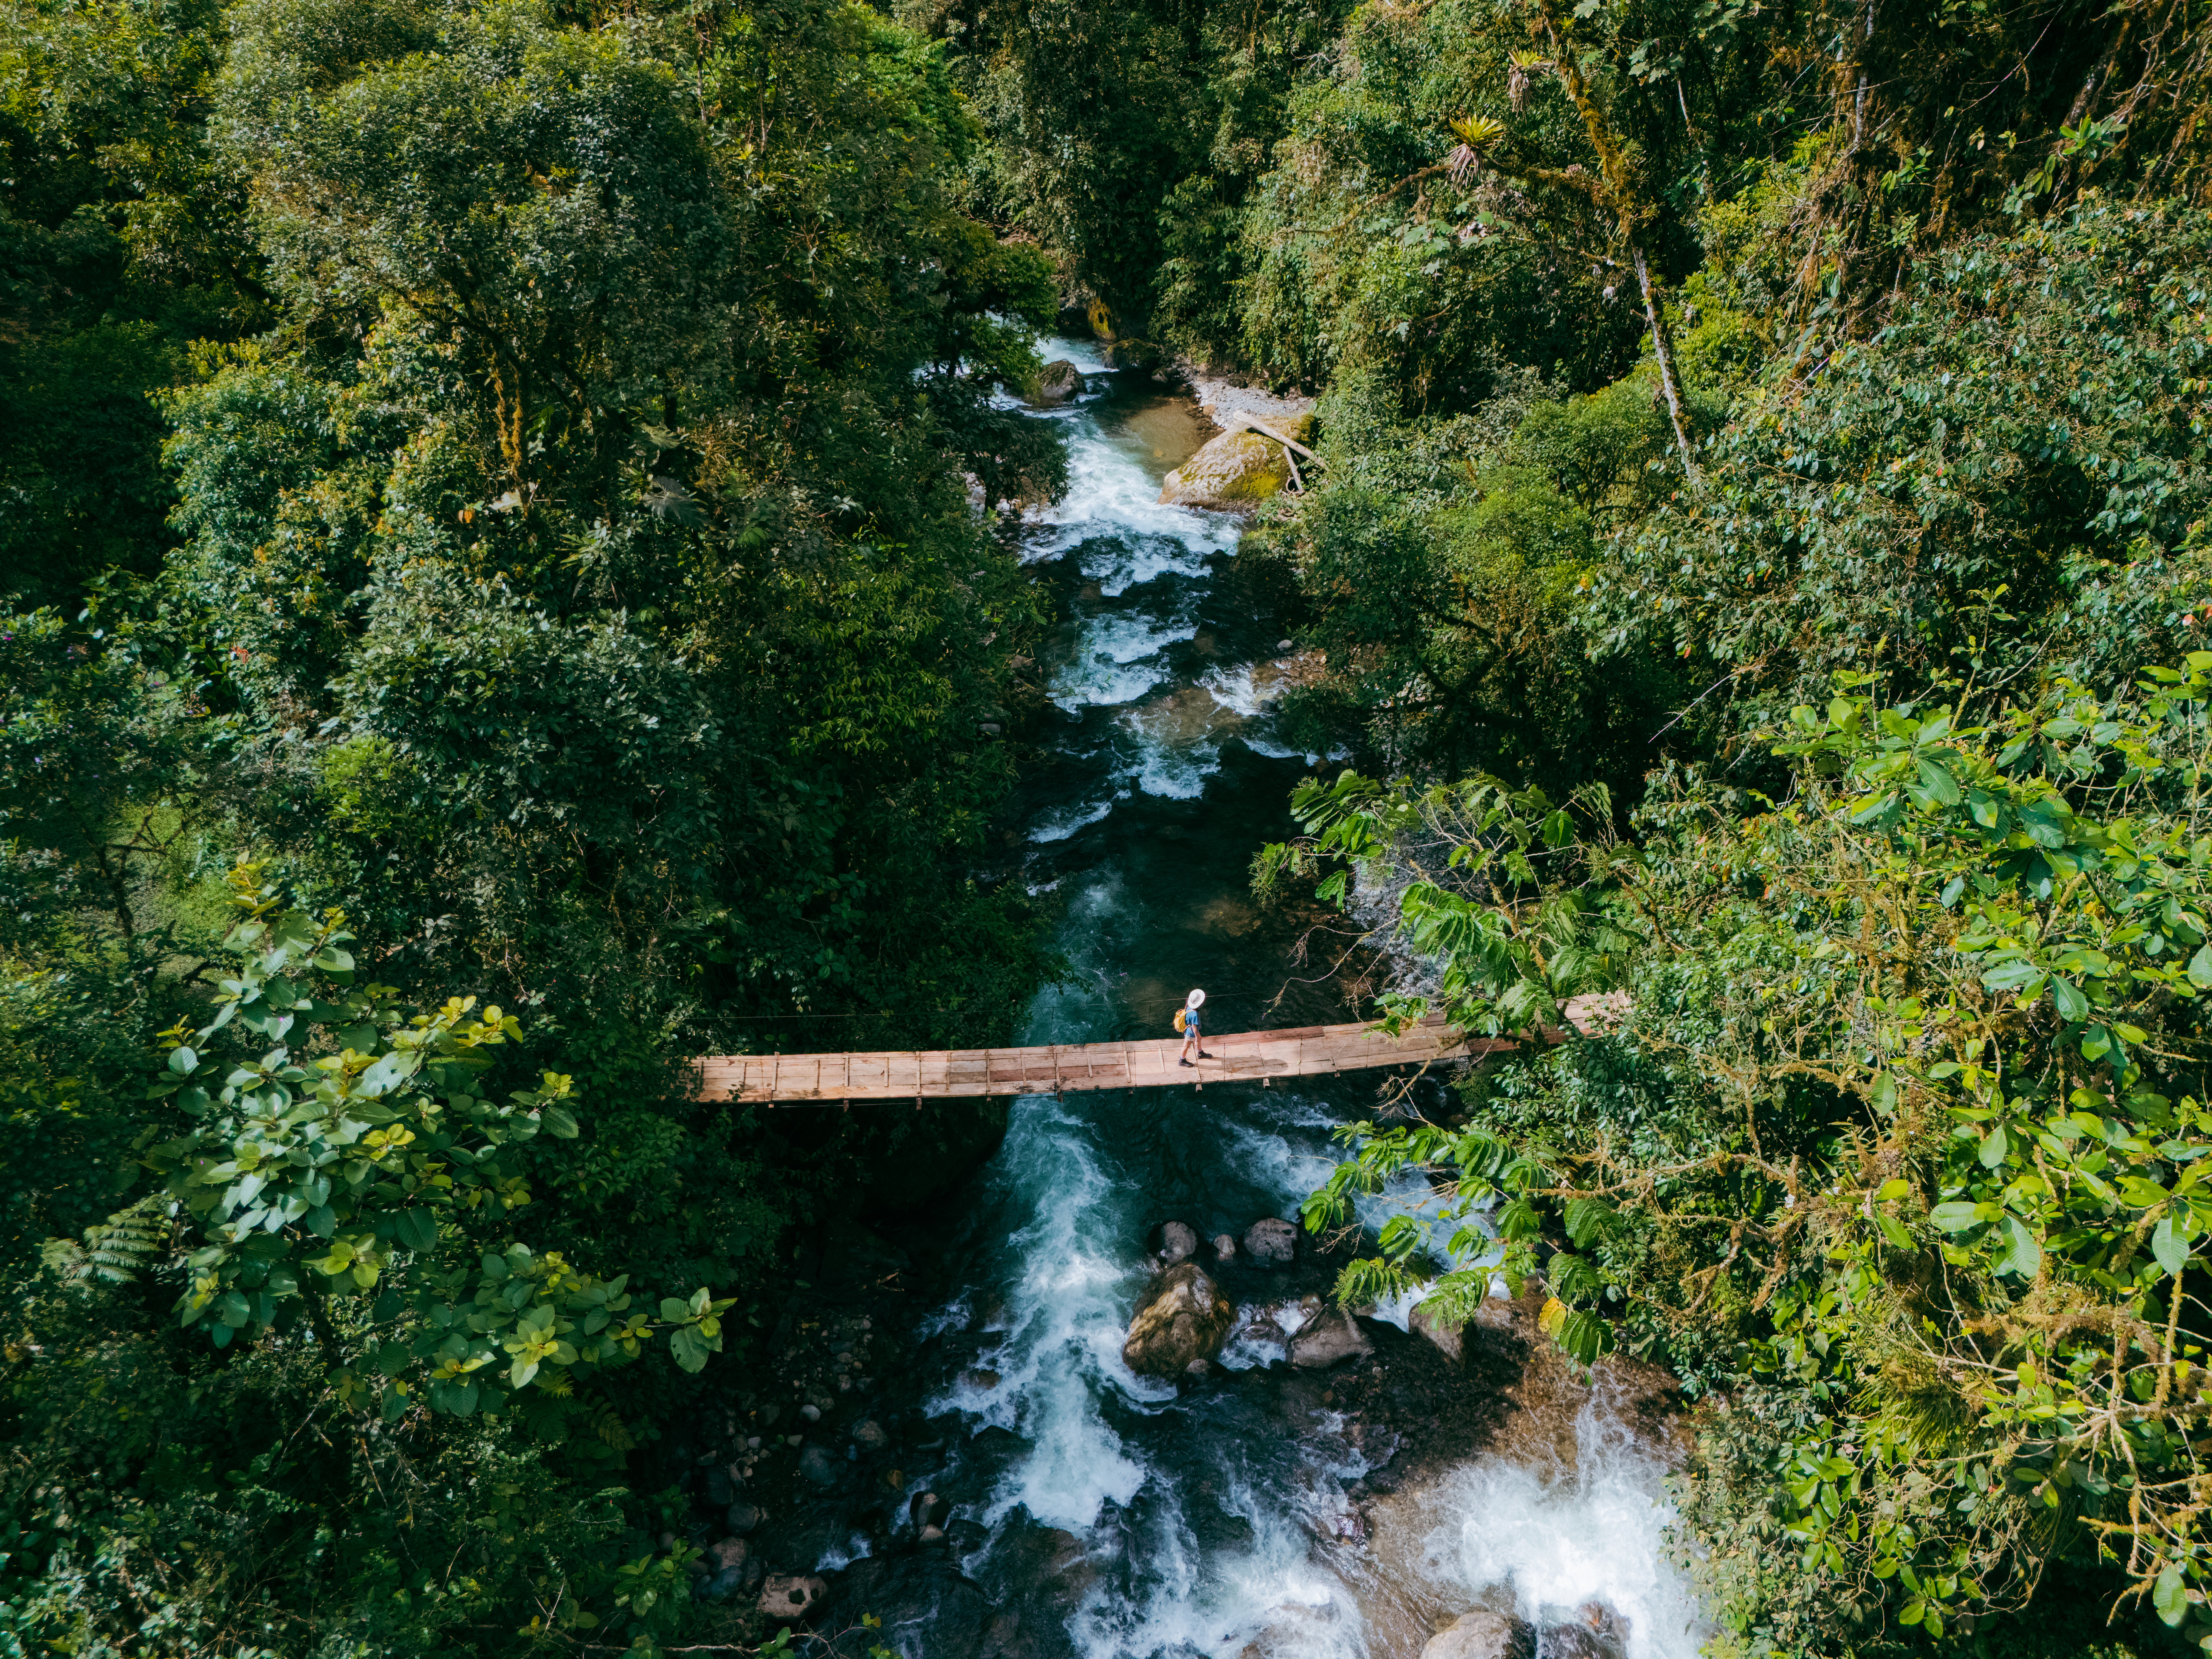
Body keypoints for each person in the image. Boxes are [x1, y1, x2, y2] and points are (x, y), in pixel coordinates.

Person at [1178, 988, 1211, 1067]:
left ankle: (1200, 1053)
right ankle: (1182, 1060)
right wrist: (1197, 1035)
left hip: (1190, 1030)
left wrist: (1198, 1037)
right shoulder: (1195, 1014)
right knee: (1186, 1046)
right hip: (1191, 1033)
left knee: (1198, 1041)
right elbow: (1194, 1027)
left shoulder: (1189, 1007)